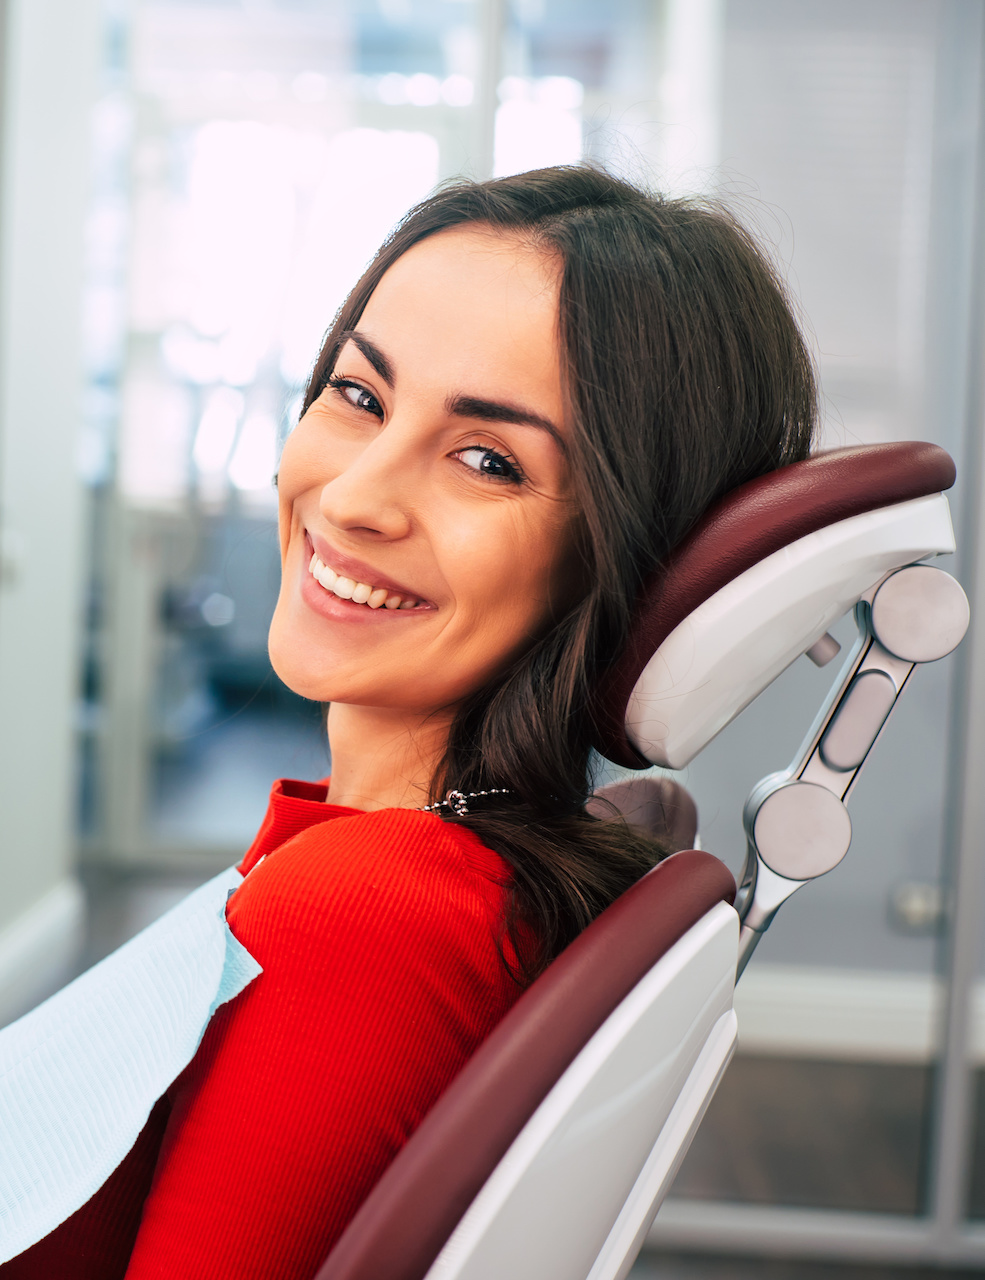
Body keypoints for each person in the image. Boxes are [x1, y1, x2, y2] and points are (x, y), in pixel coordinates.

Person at [1, 164, 816, 1279]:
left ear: (627, 552)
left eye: (488, 460)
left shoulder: (367, 916)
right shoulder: (404, 864)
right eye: (359, 395)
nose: (351, 498)